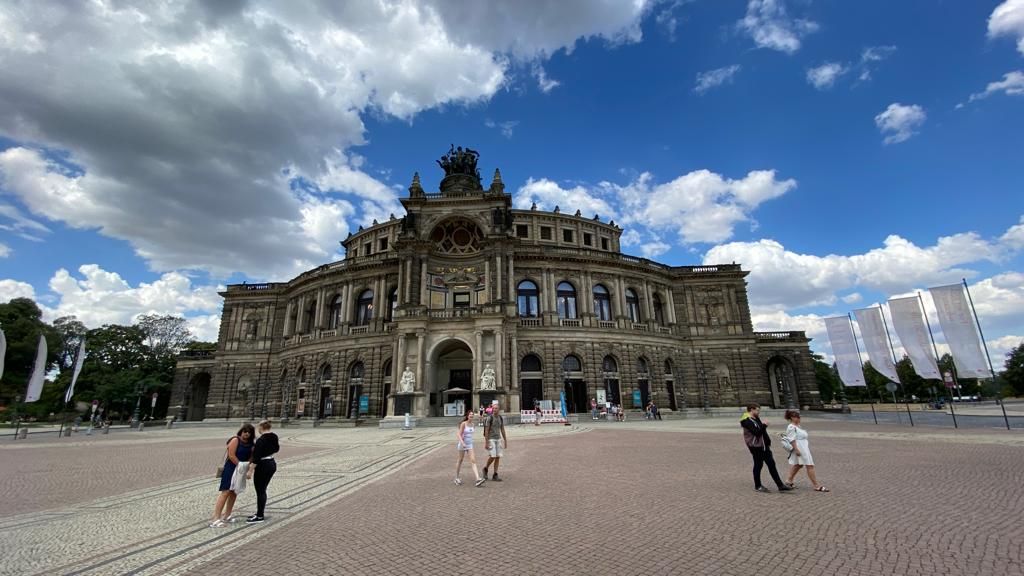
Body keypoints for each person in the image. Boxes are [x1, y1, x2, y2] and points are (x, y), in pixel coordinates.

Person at [739, 404, 793, 493]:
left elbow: (761, 431)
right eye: (757, 410)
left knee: (770, 464)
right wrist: (764, 425)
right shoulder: (746, 420)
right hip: (756, 446)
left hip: (763, 446)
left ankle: (780, 485)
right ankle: (758, 486)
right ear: (751, 410)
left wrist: (767, 440)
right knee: (759, 465)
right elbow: (757, 432)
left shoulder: (755, 418)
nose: (758, 412)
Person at [210, 423, 255, 527]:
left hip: (241, 469)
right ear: (241, 431)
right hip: (231, 468)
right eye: (245, 432)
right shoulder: (235, 440)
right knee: (225, 491)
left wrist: (247, 465)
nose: (246, 434)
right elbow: (231, 455)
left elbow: (252, 457)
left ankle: (227, 515)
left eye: (249, 432)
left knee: (234, 492)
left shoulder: (251, 444)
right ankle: (216, 518)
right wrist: (240, 465)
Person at [783, 410, 829, 492]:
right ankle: (816, 486)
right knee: (809, 465)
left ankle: (789, 481)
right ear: (792, 418)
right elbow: (791, 439)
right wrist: (796, 450)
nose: (798, 418)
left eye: (799, 417)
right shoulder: (791, 427)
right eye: (797, 417)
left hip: (803, 447)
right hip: (799, 448)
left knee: (798, 465)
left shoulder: (797, 426)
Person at [245, 420, 279, 523]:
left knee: (260, 490)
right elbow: (277, 449)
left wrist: (250, 471)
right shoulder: (274, 436)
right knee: (263, 489)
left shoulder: (261, 440)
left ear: (261, 427)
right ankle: (259, 512)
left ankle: (260, 516)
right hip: (271, 463)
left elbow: (256, 457)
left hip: (263, 465)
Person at [454, 408, 486, 487]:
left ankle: (478, 479)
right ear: (467, 416)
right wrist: (463, 443)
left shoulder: (473, 425)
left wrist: (469, 443)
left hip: (469, 444)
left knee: (473, 460)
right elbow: (458, 434)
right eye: (470, 415)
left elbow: (470, 435)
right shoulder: (463, 424)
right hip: (462, 444)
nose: (471, 416)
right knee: (460, 460)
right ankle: (456, 477)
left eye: (472, 415)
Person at [483, 400, 507, 481]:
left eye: (496, 408)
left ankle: (495, 474)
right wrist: (486, 442)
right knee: (493, 456)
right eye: (493, 408)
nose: (495, 410)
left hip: (498, 439)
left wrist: (505, 440)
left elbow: (502, 429)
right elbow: (486, 431)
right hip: (491, 439)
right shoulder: (489, 418)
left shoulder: (500, 418)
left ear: (499, 409)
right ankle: (485, 468)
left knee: (498, 457)